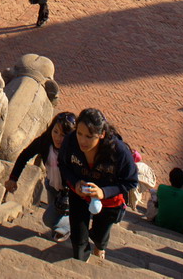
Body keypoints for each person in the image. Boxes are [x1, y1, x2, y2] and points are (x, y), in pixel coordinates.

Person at [59, 108, 138, 262]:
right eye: (79, 134)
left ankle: (100, 246)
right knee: (78, 239)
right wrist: (75, 182)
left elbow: (131, 181)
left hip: (109, 202)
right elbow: (63, 165)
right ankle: (81, 258)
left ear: (101, 134)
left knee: (100, 234)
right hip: (79, 194)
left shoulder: (118, 152)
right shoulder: (70, 142)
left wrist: (104, 192)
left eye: (89, 136)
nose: (82, 140)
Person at [5, 112, 76, 241]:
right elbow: (24, 155)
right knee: (55, 215)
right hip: (52, 185)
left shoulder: (75, 150)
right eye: (55, 132)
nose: (58, 138)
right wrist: (13, 178)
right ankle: (60, 230)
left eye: (63, 135)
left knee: (49, 219)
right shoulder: (45, 141)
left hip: (69, 190)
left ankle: (72, 226)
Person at [151, 168, 183, 234]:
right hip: (179, 228)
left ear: (170, 179)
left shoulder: (162, 188)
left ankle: (152, 216)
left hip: (159, 223)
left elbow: (157, 203)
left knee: (154, 195)